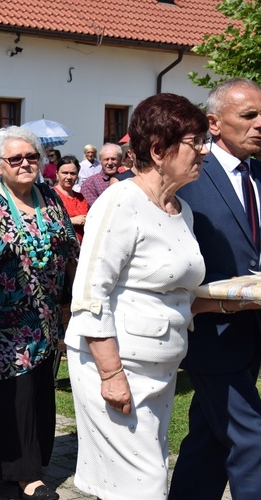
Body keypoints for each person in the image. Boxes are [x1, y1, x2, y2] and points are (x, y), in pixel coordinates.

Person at [64, 93, 210, 500]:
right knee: (144, 488)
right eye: (194, 141)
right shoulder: (120, 202)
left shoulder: (183, 209)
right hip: (116, 368)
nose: (203, 151)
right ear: (159, 150)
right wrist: (111, 376)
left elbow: (180, 289)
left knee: (134, 484)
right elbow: (91, 294)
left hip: (160, 371)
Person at [0, 126, 78, 500]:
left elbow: (68, 252)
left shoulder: (49, 196)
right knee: (9, 396)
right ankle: (25, 476)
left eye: (31, 157)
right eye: (14, 158)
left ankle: (19, 467)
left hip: (45, 319)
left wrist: (77, 299)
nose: (24, 163)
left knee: (36, 394)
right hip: (0, 320)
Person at [169, 78, 261, 500]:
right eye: (249, 116)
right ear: (214, 122)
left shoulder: (258, 171)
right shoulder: (190, 179)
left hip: (251, 334)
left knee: (208, 441)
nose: (259, 125)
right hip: (210, 333)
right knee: (252, 440)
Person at [52, 156, 88, 242]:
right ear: (57, 174)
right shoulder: (50, 195)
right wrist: (72, 221)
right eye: (65, 173)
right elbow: (46, 223)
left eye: (73, 173)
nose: (69, 177)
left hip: (81, 248)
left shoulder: (81, 198)